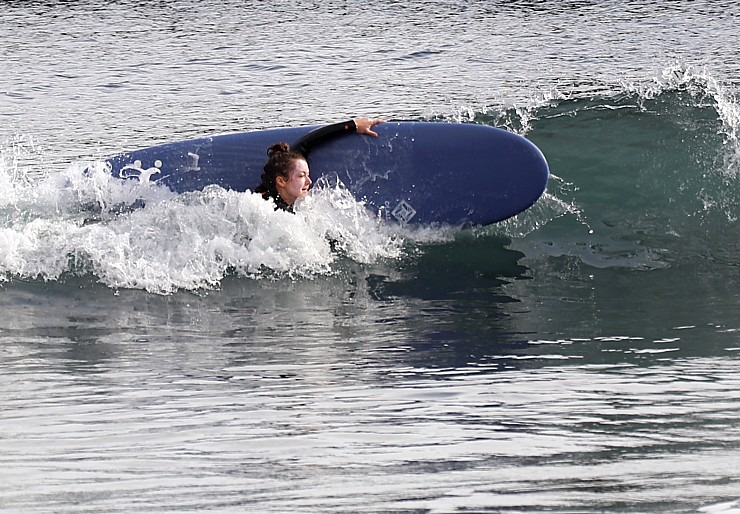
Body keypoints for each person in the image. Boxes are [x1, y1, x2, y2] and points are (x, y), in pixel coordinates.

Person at [255, 117, 384, 212]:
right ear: (281, 181)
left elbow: (308, 142)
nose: (309, 181)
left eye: (307, 175)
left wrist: (354, 125)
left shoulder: (291, 162)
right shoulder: (262, 206)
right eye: (301, 176)